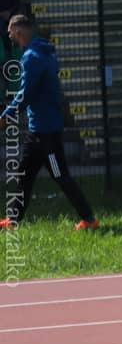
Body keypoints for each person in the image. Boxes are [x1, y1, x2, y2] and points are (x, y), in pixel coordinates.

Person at [0, 14, 98, 230]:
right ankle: (13, 220)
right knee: (24, 174)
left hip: (46, 134)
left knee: (60, 175)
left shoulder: (32, 57)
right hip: (38, 130)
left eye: (10, 31)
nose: (9, 36)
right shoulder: (45, 52)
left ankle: (89, 220)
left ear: (18, 30)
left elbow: (25, 94)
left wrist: (6, 115)